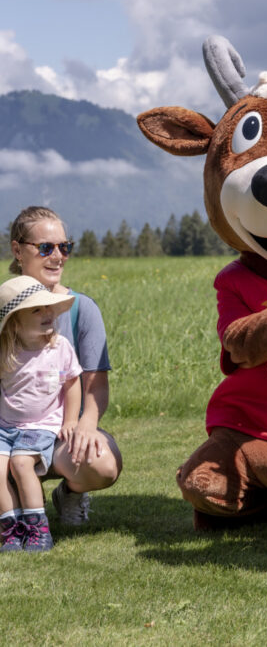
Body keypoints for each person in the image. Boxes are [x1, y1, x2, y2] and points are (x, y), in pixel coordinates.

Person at [9, 207, 122, 525]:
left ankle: (69, 493)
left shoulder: (82, 309)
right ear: (18, 250)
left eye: (64, 247)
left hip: (61, 434)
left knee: (102, 464)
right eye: (46, 248)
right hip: (6, 431)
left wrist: (86, 425)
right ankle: (17, 493)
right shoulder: (4, 308)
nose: (57, 256)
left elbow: (95, 385)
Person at [0, 276, 82, 551]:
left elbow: (72, 383)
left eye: (49, 308)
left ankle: (37, 528)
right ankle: (10, 528)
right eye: (36, 310)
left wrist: (71, 420)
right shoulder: (5, 351)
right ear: (15, 321)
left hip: (40, 425)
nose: (48, 314)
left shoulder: (59, 348)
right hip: (4, 426)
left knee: (22, 464)